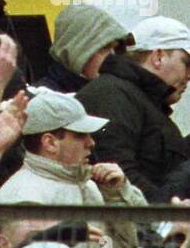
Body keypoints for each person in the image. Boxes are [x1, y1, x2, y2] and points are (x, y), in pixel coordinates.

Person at [0, 88, 146, 248]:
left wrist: (117, 197)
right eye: (80, 135)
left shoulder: (91, 186)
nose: (91, 143)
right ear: (50, 143)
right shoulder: (21, 199)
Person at [76, 15, 190, 200]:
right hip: (138, 221)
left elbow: (162, 163)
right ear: (158, 57)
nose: (188, 76)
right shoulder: (111, 96)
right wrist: (167, 208)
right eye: (187, 64)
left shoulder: (137, 97)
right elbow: (117, 177)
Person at [35, 3, 132, 94]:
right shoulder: (44, 97)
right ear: (77, 50)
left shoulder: (118, 93)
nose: (112, 56)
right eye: (104, 48)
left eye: (115, 48)